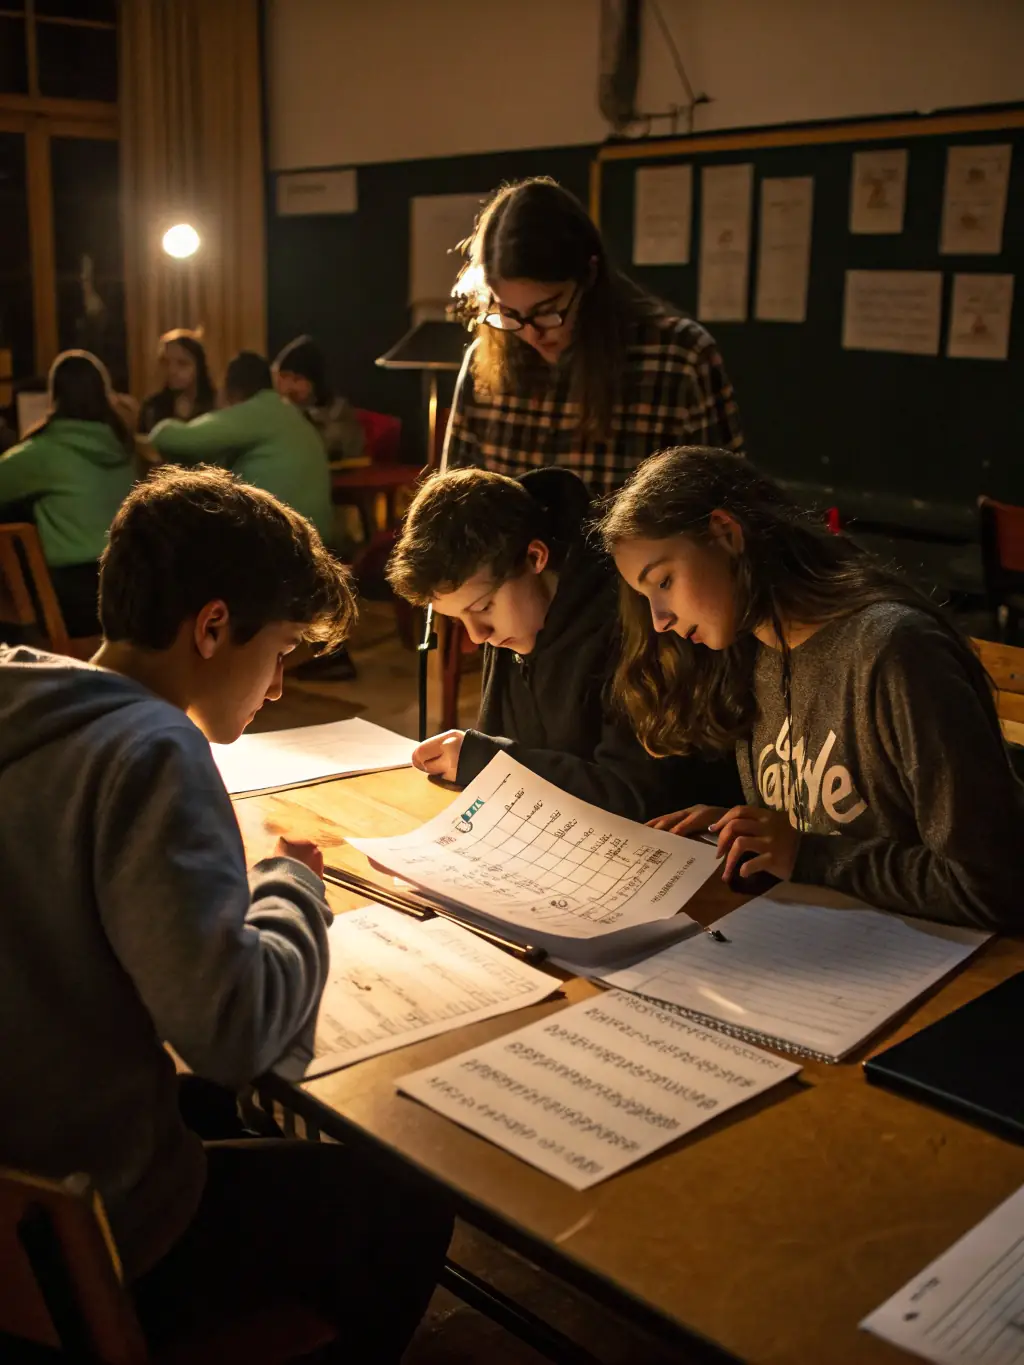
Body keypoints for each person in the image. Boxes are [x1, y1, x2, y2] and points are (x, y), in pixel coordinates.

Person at [0, 466, 451, 1362]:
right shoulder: (151, 748)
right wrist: (290, 883)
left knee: (216, 1111)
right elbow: (235, 1031)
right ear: (212, 627)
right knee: (410, 1196)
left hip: (15, 1203)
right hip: (88, 1240)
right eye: (280, 651)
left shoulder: (25, 699)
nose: (278, 685)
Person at [598, 445, 1024, 931]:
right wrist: (751, 837)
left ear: (724, 533)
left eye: (665, 581)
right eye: (646, 596)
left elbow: (991, 886)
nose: (659, 621)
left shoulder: (894, 651)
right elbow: (814, 836)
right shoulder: (754, 653)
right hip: (832, 945)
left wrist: (806, 854)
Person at [387, 464, 741, 819]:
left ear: (535, 557)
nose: (478, 635)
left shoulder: (636, 618)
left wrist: (490, 762)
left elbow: (636, 799)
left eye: (483, 608)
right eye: (457, 619)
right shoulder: (514, 625)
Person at [445, 176, 743, 498]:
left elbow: (729, 508)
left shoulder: (680, 359)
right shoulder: (484, 360)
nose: (531, 333)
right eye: (510, 313)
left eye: (547, 310)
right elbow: (454, 512)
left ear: (590, 275)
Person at [0, 350, 135, 636]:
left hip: (73, 601)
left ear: (55, 396)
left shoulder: (44, 453)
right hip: (128, 590)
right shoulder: (123, 446)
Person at [149, 350, 334, 543]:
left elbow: (172, 438)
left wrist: (161, 427)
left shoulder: (258, 411)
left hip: (277, 544)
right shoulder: (290, 415)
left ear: (232, 391)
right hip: (316, 543)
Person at [273, 333, 366, 466]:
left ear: (315, 382)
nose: (289, 387)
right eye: (284, 377)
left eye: (297, 379)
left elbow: (330, 448)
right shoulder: (278, 409)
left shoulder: (338, 412)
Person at [139, 328, 217, 434]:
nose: (172, 371)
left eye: (182, 363)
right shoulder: (152, 408)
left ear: (199, 367)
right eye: (165, 363)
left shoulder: (216, 405)